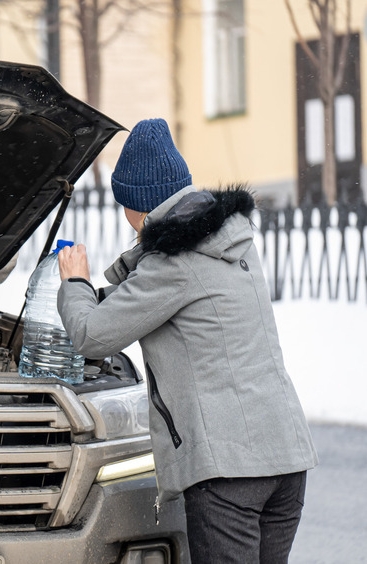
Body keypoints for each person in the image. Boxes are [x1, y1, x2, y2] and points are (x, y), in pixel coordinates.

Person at [56, 118, 318, 563]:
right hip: (285, 457)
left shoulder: (173, 265)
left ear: (134, 205)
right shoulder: (230, 241)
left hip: (230, 471)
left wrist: (76, 283)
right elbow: (165, 296)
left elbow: (91, 335)